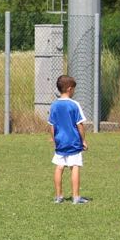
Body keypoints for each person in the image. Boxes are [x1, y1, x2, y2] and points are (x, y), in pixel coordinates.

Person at [48, 75, 89, 204]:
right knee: (75, 166)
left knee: (59, 167)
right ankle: (76, 197)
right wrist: (83, 140)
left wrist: (54, 140)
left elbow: (52, 126)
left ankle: (59, 196)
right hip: (73, 142)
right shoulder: (74, 104)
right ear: (70, 89)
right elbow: (80, 125)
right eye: (74, 89)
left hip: (60, 141)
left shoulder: (54, 105)